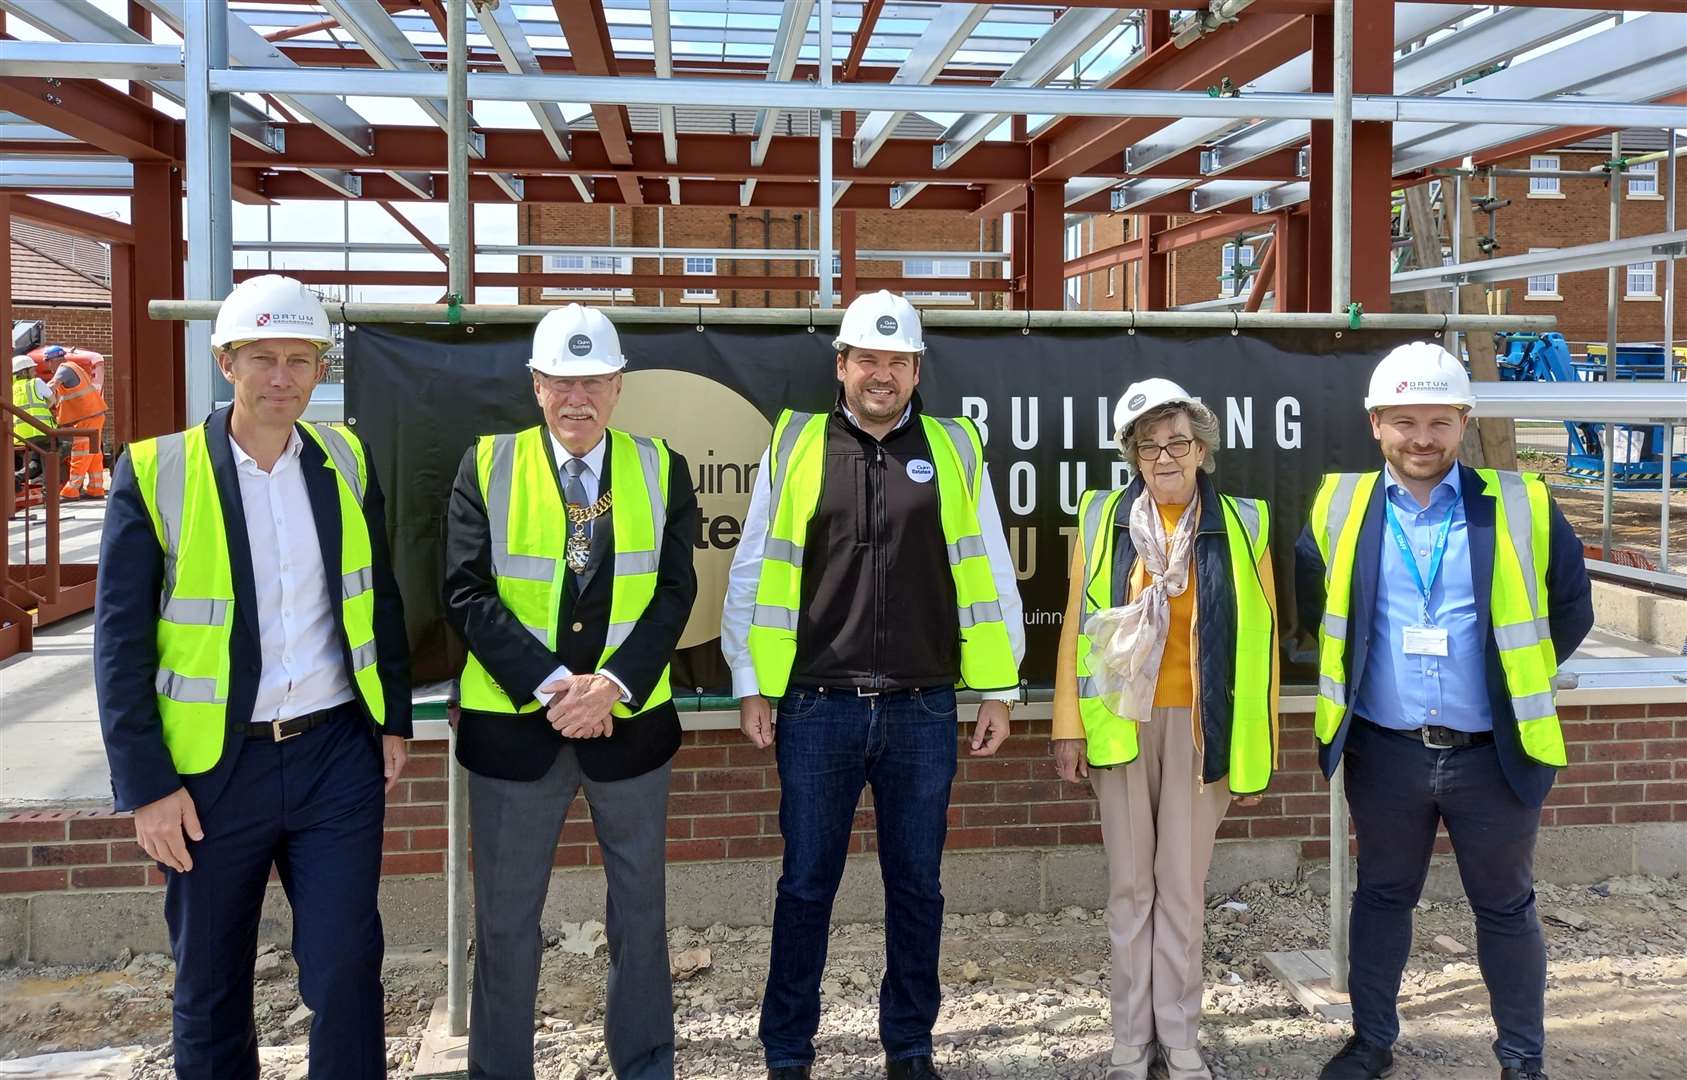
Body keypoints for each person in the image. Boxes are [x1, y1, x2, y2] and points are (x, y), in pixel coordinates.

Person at [94, 274, 413, 1079]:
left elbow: (378, 596)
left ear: (320, 366)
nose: (283, 377)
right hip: (208, 774)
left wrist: (393, 719)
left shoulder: (345, 458)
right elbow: (119, 642)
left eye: (301, 359)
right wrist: (145, 786)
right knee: (209, 984)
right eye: (263, 358)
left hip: (334, 753)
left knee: (344, 971)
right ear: (224, 361)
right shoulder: (158, 471)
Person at [722, 290, 1025, 1080]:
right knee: (804, 887)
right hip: (815, 705)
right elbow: (754, 565)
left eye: (896, 361)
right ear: (842, 367)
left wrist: (998, 689)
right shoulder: (795, 444)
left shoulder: (954, 448)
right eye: (867, 360)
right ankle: (787, 1050)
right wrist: (751, 680)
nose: (881, 375)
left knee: (918, 888)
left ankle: (910, 1045)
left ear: (916, 368)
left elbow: (988, 567)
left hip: (922, 709)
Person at [1297, 342, 1594, 1080]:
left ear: (1463, 422)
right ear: (1374, 424)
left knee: (1503, 906)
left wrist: (1505, 680)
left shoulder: (1522, 504)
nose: (1420, 438)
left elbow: (1570, 610)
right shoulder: (1338, 505)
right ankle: (1370, 1042)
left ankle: (1521, 1057)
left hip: (1491, 751)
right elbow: (1314, 606)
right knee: (1382, 898)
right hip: (1385, 748)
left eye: (1437, 421)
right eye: (1403, 421)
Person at [443, 303, 699, 1080]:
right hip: (516, 734)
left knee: (641, 918)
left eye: (592, 380)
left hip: (630, 729)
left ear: (619, 386)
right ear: (534, 385)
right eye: (560, 380)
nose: (576, 397)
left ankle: (646, 1063)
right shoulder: (485, 463)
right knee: (509, 922)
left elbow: (674, 591)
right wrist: (559, 688)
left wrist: (612, 685)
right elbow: (465, 593)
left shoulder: (661, 466)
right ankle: (499, 1070)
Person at [1049, 378, 1278, 1080]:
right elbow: (1074, 632)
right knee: (1130, 890)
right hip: (1119, 725)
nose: (1163, 456)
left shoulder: (1242, 523)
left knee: (1179, 890)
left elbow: (1265, 642)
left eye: (1176, 441)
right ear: (1131, 457)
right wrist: (1067, 726)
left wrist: (1254, 747)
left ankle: (1177, 1040)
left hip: (1199, 731)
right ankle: (1128, 1040)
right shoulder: (1102, 520)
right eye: (1147, 446)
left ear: (1202, 448)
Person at [46, 344, 108, 499]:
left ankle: (71, 490)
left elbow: (52, 385)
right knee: (93, 454)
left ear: (54, 360)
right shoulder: (73, 368)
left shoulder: (64, 369)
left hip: (86, 418)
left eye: (47, 361)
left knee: (80, 453)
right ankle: (96, 488)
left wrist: (41, 397)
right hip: (93, 415)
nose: (47, 365)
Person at [11, 353, 58, 488]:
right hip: (42, 431)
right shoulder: (35, 383)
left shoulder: (11, 388)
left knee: (36, 462)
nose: (35, 371)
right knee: (52, 458)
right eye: (32, 369)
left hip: (22, 436)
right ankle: (48, 492)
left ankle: (16, 477)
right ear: (24, 371)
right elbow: (52, 400)